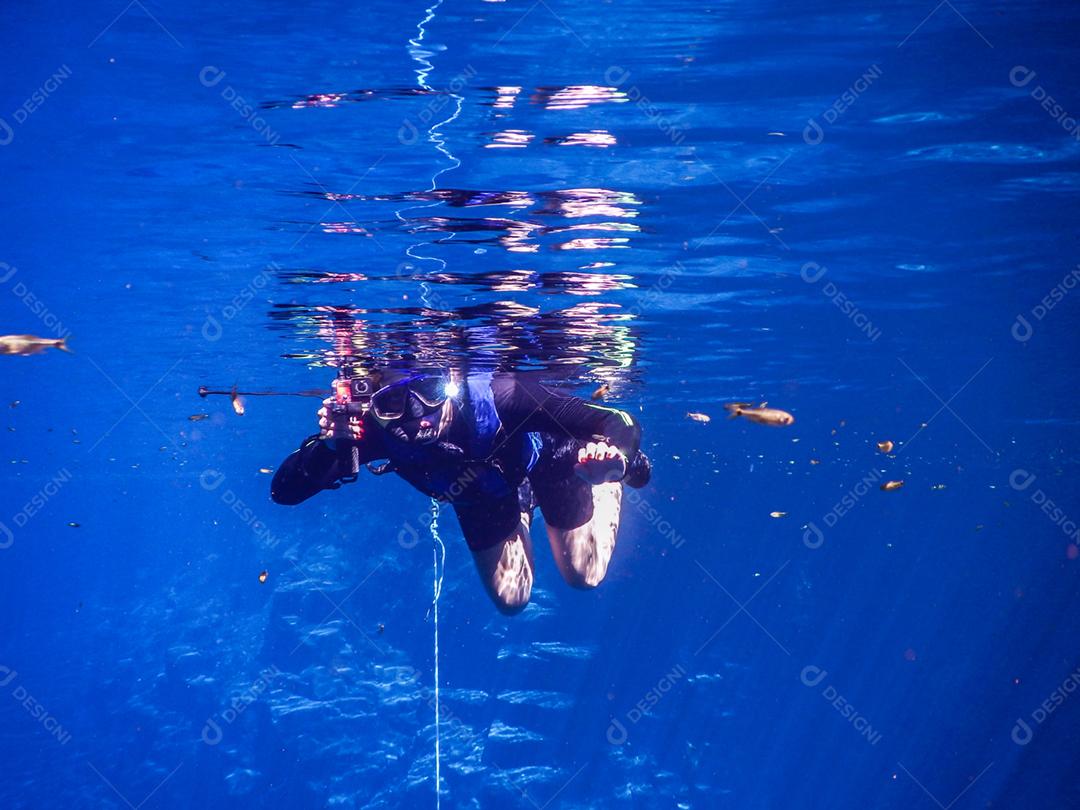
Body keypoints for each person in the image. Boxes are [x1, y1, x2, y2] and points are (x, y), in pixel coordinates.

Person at [270, 369, 651, 614]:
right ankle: (520, 503)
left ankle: (605, 487)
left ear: (451, 381)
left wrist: (613, 455)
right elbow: (283, 492)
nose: (417, 415)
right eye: (391, 404)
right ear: (375, 407)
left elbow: (616, 420)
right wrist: (329, 449)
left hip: (555, 462)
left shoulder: (503, 394)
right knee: (511, 600)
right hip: (484, 491)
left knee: (583, 574)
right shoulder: (372, 432)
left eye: (431, 391)